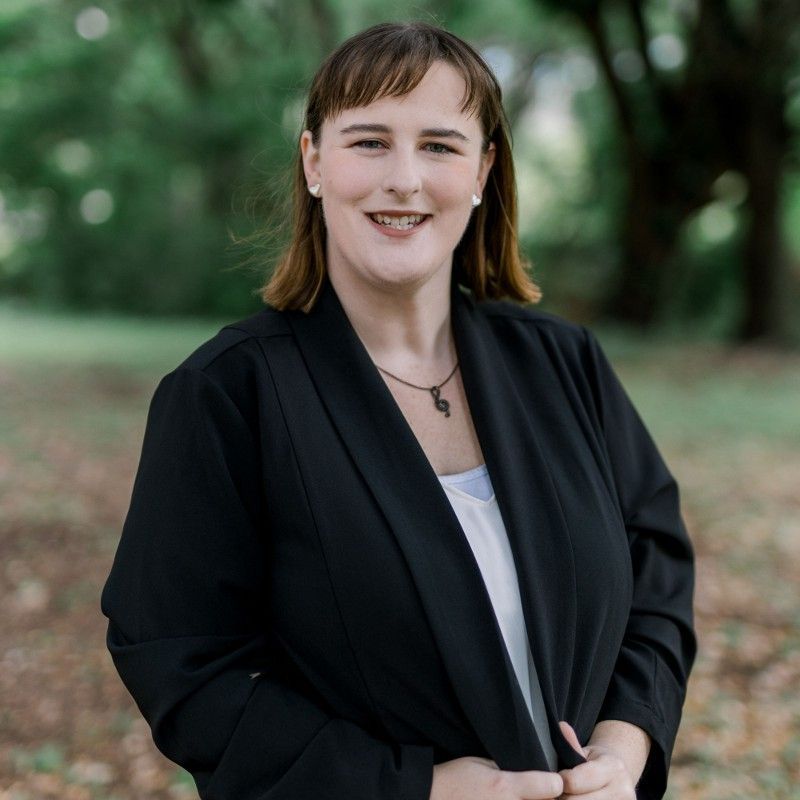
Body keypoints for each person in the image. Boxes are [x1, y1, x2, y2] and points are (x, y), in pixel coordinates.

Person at [100, 21, 696, 800]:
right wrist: (418, 788)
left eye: (441, 146)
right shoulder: (226, 394)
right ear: (315, 162)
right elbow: (181, 662)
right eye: (369, 142)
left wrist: (623, 748)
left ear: (483, 170)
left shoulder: (563, 362)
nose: (405, 180)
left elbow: (657, 572)